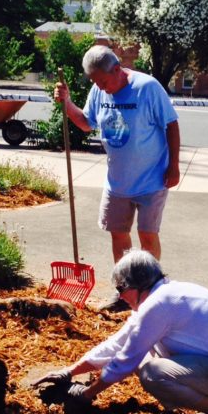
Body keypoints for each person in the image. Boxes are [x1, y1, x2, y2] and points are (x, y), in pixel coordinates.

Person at [32, 250, 208, 414]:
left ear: (135, 286)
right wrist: (69, 372)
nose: (120, 297)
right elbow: (118, 344)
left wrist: (87, 395)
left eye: (120, 289)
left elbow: (124, 362)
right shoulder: (164, 295)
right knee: (146, 359)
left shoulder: (159, 305)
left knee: (154, 373)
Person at [54, 45, 180, 274]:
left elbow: (171, 124)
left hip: (151, 178)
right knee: (119, 234)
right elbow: (85, 123)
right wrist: (68, 103)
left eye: (102, 81)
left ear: (117, 69)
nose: (100, 87)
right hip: (117, 181)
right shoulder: (99, 90)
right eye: (95, 82)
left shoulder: (147, 88)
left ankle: (150, 289)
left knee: (147, 236)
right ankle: (125, 288)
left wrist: (174, 166)